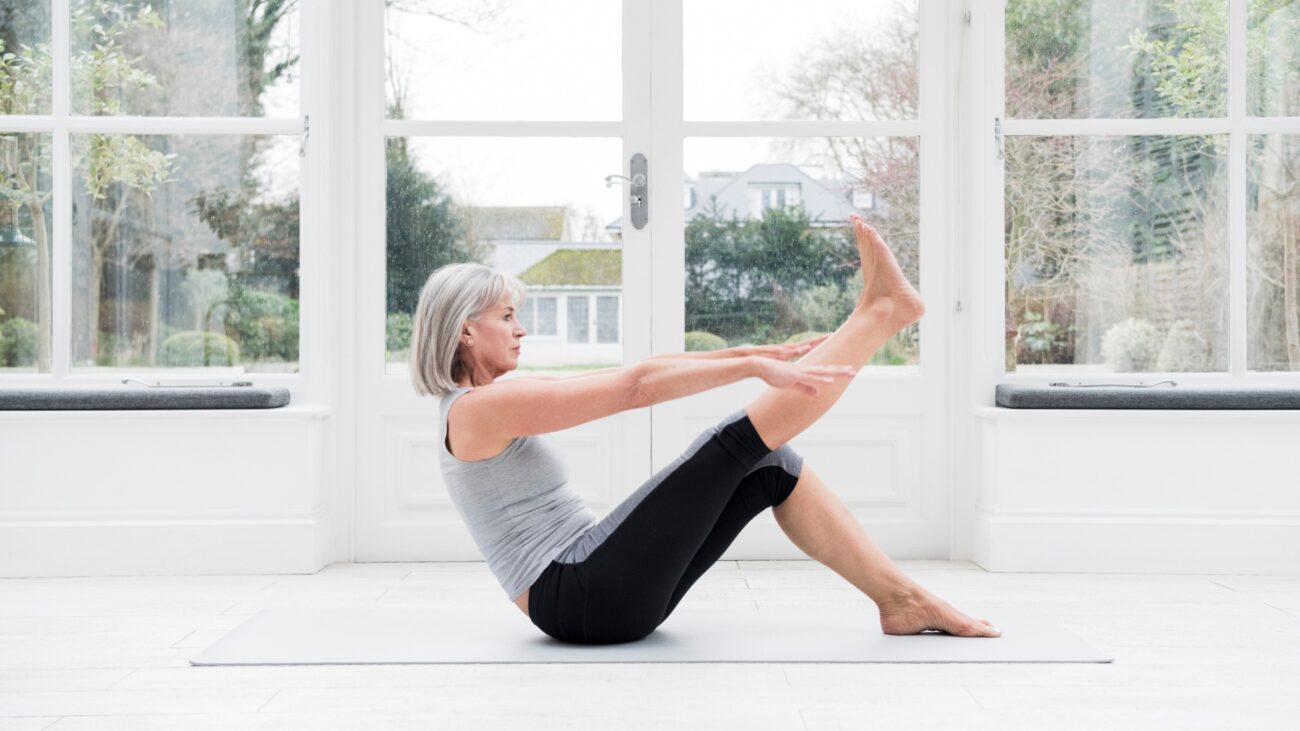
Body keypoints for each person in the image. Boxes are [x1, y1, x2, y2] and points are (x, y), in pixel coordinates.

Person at [410, 214, 1001, 645]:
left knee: (772, 466)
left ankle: (900, 600)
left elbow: (628, 373)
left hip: (593, 594)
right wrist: (749, 367)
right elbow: (632, 389)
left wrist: (749, 349)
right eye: (507, 317)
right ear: (465, 331)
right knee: (736, 440)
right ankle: (882, 315)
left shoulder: (488, 402)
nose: (521, 329)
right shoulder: (475, 411)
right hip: (579, 597)